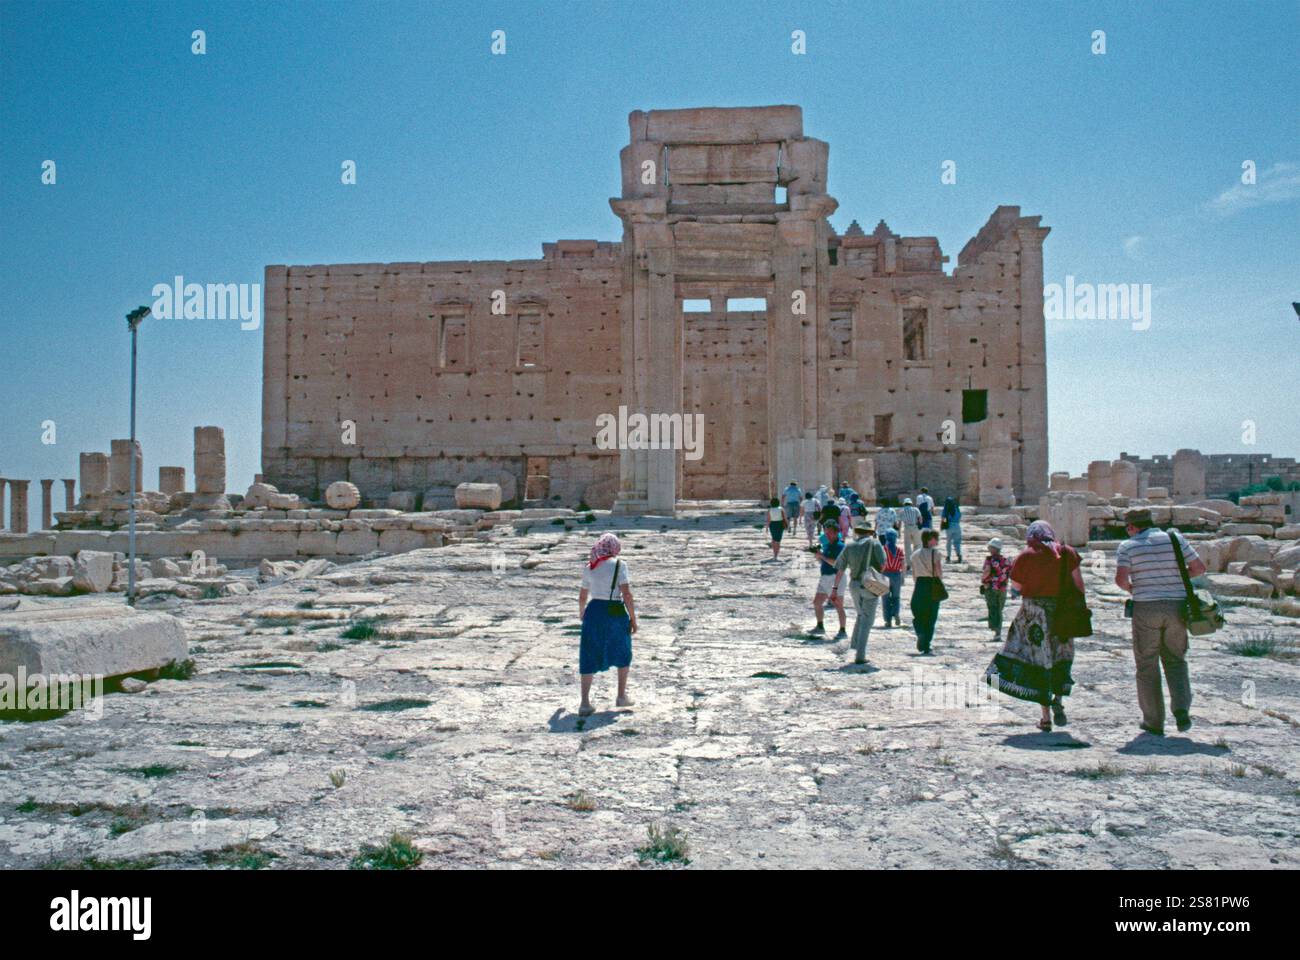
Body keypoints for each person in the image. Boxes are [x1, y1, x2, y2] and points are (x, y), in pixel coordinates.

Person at [1115, 508, 1205, 735]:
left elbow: (1121, 579)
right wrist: (1175, 578)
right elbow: (1198, 568)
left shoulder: (1128, 546)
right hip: (1177, 607)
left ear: (1131, 526)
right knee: (1176, 659)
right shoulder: (1175, 539)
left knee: (1147, 664)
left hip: (1146, 608)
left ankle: (1154, 721)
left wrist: (1134, 588)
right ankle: (1182, 711)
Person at [987, 521, 1081, 732]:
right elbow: (1079, 585)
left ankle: (1045, 717)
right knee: (1060, 656)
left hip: (1034, 616)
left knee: (1039, 662)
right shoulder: (1067, 552)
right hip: (1062, 613)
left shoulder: (1026, 556)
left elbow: (1017, 587)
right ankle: (1058, 699)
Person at [578, 532, 637, 717]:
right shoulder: (620, 565)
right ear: (614, 547)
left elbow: (582, 595)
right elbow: (626, 594)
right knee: (622, 650)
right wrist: (633, 618)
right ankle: (621, 696)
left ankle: (585, 703)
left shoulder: (590, 566)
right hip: (615, 610)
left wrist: (582, 613)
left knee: (589, 652)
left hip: (594, 610)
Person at [833, 520, 885, 664]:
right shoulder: (875, 543)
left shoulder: (849, 546)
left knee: (861, 614)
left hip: (854, 584)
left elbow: (840, 568)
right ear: (869, 532)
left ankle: (854, 645)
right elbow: (882, 564)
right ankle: (860, 656)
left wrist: (835, 589)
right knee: (867, 620)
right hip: (870, 584)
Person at [810, 520, 848, 639]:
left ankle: (842, 630)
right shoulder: (828, 545)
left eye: (830, 533)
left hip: (836, 578)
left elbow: (836, 563)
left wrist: (822, 556)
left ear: (836, 533)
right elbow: (825, 559)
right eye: (826, 533)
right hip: (825, 577)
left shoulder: (840, 546)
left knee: (838, 605)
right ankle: (820, 626)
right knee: (817, 602)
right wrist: (818, 554)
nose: (827, 535)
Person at [909, 530, 945, 654]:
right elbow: (938, 571)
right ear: (929, 539)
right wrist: (939, 582)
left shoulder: (915, 554)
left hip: (919, 584)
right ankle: (926, 644)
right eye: (935, 538)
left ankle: (920, 632)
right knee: (931, 616)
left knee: (917, 611)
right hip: (932, 584)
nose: (937, 540)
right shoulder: (936, 553)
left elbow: (913, 573)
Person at [980, 538, 1012, 640]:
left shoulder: (990, 560)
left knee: (993, 608)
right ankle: (998, 632)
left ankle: (996, 631)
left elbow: (987, 571)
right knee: (999, 610)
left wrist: (983, 581)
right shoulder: (1006, 560)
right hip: (1002, 588)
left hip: (991, 588)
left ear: (993, 548)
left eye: (989, 547)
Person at [880, 528, 906, 628]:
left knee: (885, 599)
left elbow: (880, 564)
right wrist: (903, 576)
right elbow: (903, 564)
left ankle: (888, 620)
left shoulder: (883, 549)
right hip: (896, 575)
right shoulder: (899, 550)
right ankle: (896, 614)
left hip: (885, 574)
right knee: (896, 597)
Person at [898, 498, 922, 571]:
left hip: (907, 528)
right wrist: (919, 526)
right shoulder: (915, 509)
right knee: (917, 544)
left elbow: (899, 522)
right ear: (911, 503)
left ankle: (909, 563)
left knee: (907, 546)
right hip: (915, 527)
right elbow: (920, 518)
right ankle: (915, 560)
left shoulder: (902, 511)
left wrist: (899, 531)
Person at [941, 496, 963, 562]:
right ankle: (959, 555)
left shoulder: (946, 508)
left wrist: (945, 524)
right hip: (957, 525)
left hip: (949, 526)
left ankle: (948, 556)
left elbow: (943, 517)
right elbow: (960, 516)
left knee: (948, 542)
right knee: (957, 542)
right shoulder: (956, 508)